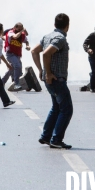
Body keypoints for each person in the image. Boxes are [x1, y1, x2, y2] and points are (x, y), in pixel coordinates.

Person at [31, 13, 72, 149]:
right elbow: (46, 53)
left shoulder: (47, 36)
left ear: (55, 25)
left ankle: (46, 136)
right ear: (67, 26)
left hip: (51, 80)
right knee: (66, 110)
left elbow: (34, 51)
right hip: (57, 79)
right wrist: (47, 73)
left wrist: (40, 70)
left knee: (56, 108)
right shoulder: (60, 38)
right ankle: (56, 139)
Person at [1, 22, 30, 91]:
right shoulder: (11, 32)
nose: (19, 30)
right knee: (17, 66)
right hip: (10, 54)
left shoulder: (22, 35)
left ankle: (2, 81)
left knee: (12, 69)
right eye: (18, 29)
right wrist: (21, 31)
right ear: (15, 28)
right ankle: (16, 84)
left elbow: (26, 40)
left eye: (21, 28)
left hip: (17, 55)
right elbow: (15, 36)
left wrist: (27, 45)